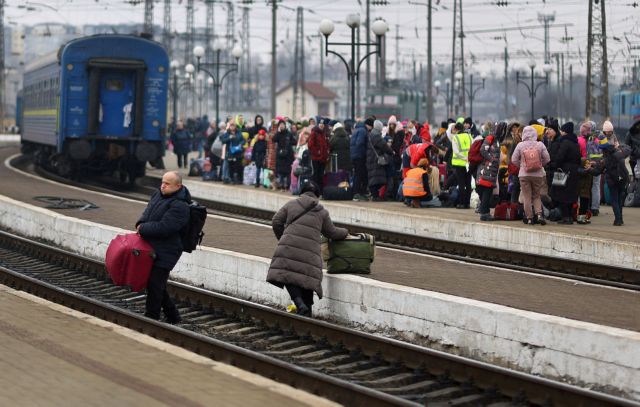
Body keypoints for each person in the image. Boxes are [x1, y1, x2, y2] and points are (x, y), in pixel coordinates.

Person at [266, 180, 348, 317]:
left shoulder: (291, 204)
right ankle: (307, 311)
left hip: (288, 248)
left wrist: (283, 239)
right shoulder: (322, 212)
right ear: (317, 195)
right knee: (307, 279)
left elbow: (276, 221)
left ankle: (299, 303)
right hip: (310, 254)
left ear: (301, 192)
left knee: (287, 275)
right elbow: (332, 233)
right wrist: (346, 232)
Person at [136, 171, 190, 323]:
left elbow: (165, 227)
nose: (163, 186)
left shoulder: (180, 206)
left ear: (178, 186)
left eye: (167, 184)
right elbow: (146, 213)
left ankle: (151, 318)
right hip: (152, 247)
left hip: (168, 250)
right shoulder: (157, 195)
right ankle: (173, 316)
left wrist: (143, 229)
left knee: (154, 284)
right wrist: (140, 223)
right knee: (155, 284)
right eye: (162, 182)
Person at [511, 125, 551, 225]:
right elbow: (547, 159)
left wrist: (521, 166)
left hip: (524, 175)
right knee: (536, 195)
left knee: (527, 196)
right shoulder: (540, 144)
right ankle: (539, 215)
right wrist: (540, 164)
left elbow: (513, 159)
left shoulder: (520, 145)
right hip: (538, 175)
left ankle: (529, 218)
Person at [549, 122, 582, 224]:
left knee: (561, 194)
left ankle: (566, 218)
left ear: (566, 132)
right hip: (574, 172)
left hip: (563, 171)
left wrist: (554, 165)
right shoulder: (576, 143)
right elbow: (579, 158)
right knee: (571, 196)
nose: (561, 133)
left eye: (562, 131)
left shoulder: (564, 142)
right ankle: (570, 217)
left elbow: (560, 157)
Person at [595, 134, 630, 225]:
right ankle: (620, 219)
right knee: (619, 200)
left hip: (612, 181)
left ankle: (618, 220)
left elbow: (597, 171)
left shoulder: (606, 158)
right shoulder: (618, 151)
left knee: (614, 200)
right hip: (622, 179)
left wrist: (587, 169)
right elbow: (628, 149)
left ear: (603, 148)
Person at [367, 120, 395, 201]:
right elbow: (384, 146)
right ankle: (375, 196)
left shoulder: (370, 134)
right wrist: (391, 152)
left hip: (370, 158)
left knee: (373, 177)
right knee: (377, 178)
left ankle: (374, 195)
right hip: (376, 159)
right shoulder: (376, 136)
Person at [448, 122, 473, 209]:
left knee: (461, 184)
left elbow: (456, 152)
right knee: (468, 184)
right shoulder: (469, 136)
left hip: (459, 164)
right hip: (468, 164)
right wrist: (468, 158)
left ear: (456, 129)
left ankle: (462, 203)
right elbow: (473, 149)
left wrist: (464, 158)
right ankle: (468, 203)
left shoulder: (456, 138)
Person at [351, 118, 371, 201]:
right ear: (369, 125)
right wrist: (365, 152)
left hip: (354, 155)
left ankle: (357, 192)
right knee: (359, 174)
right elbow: (360, 142)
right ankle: (357, 193)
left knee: (357, 174)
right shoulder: (363, 131)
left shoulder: (357, 129)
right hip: (359, 156)